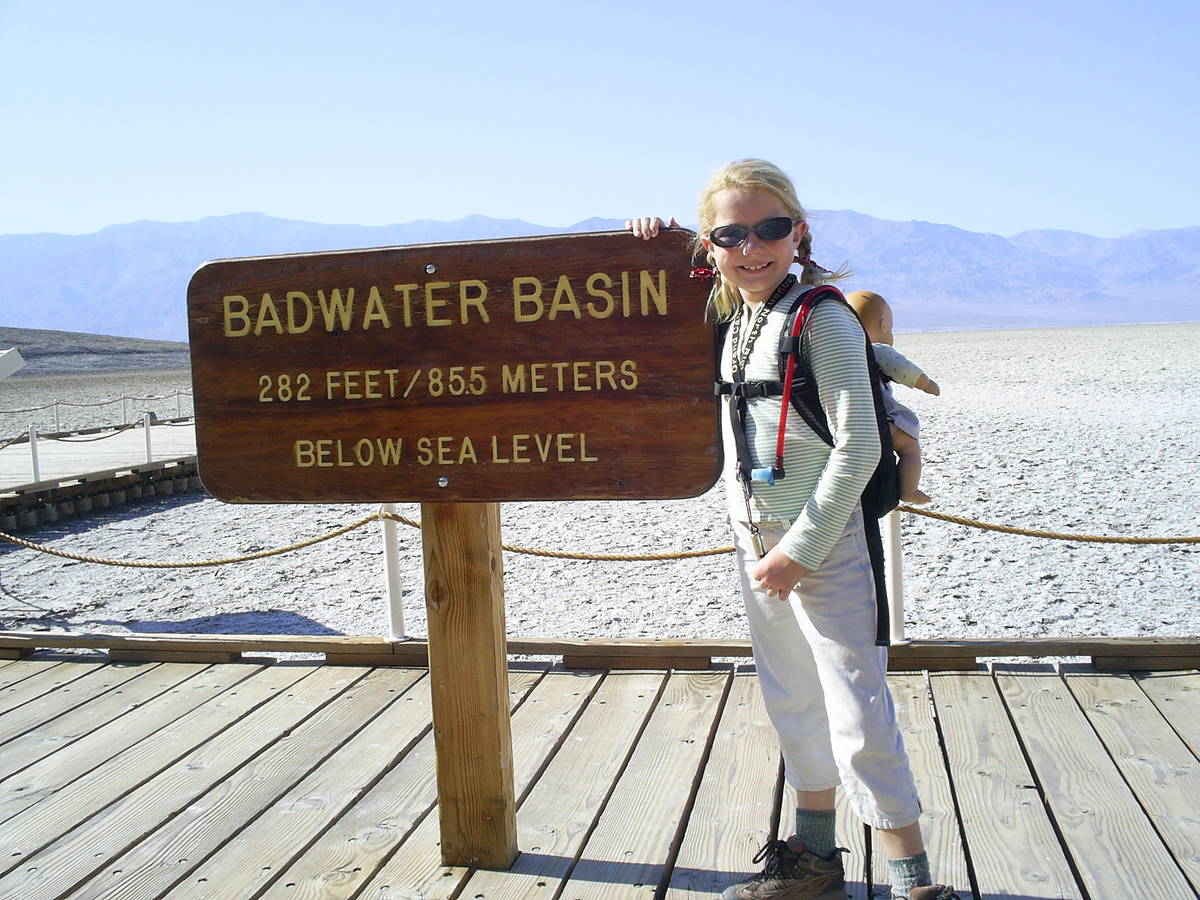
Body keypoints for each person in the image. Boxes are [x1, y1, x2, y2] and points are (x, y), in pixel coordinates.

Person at [627, 159, 959, 900]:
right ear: (711, 246)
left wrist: (797, 551)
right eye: (732, 234)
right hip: (757, 541)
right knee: (793, 701)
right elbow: (673, 282)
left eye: (771, 229)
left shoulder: (825, 316)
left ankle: (914, 883)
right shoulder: (738, 313)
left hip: (823, 543)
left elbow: (860, 445)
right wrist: (653, 239)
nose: (753, 246)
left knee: (857, 709)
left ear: (799, 232)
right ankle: (816, 865)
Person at [845, 290, 940, 505]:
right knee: (909, 447)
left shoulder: (842, 351)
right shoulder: (877, 350)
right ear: (884, 325)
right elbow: (906, 371)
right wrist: (929, 386)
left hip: (850, 422)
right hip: (881, 421)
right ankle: (909, 489)